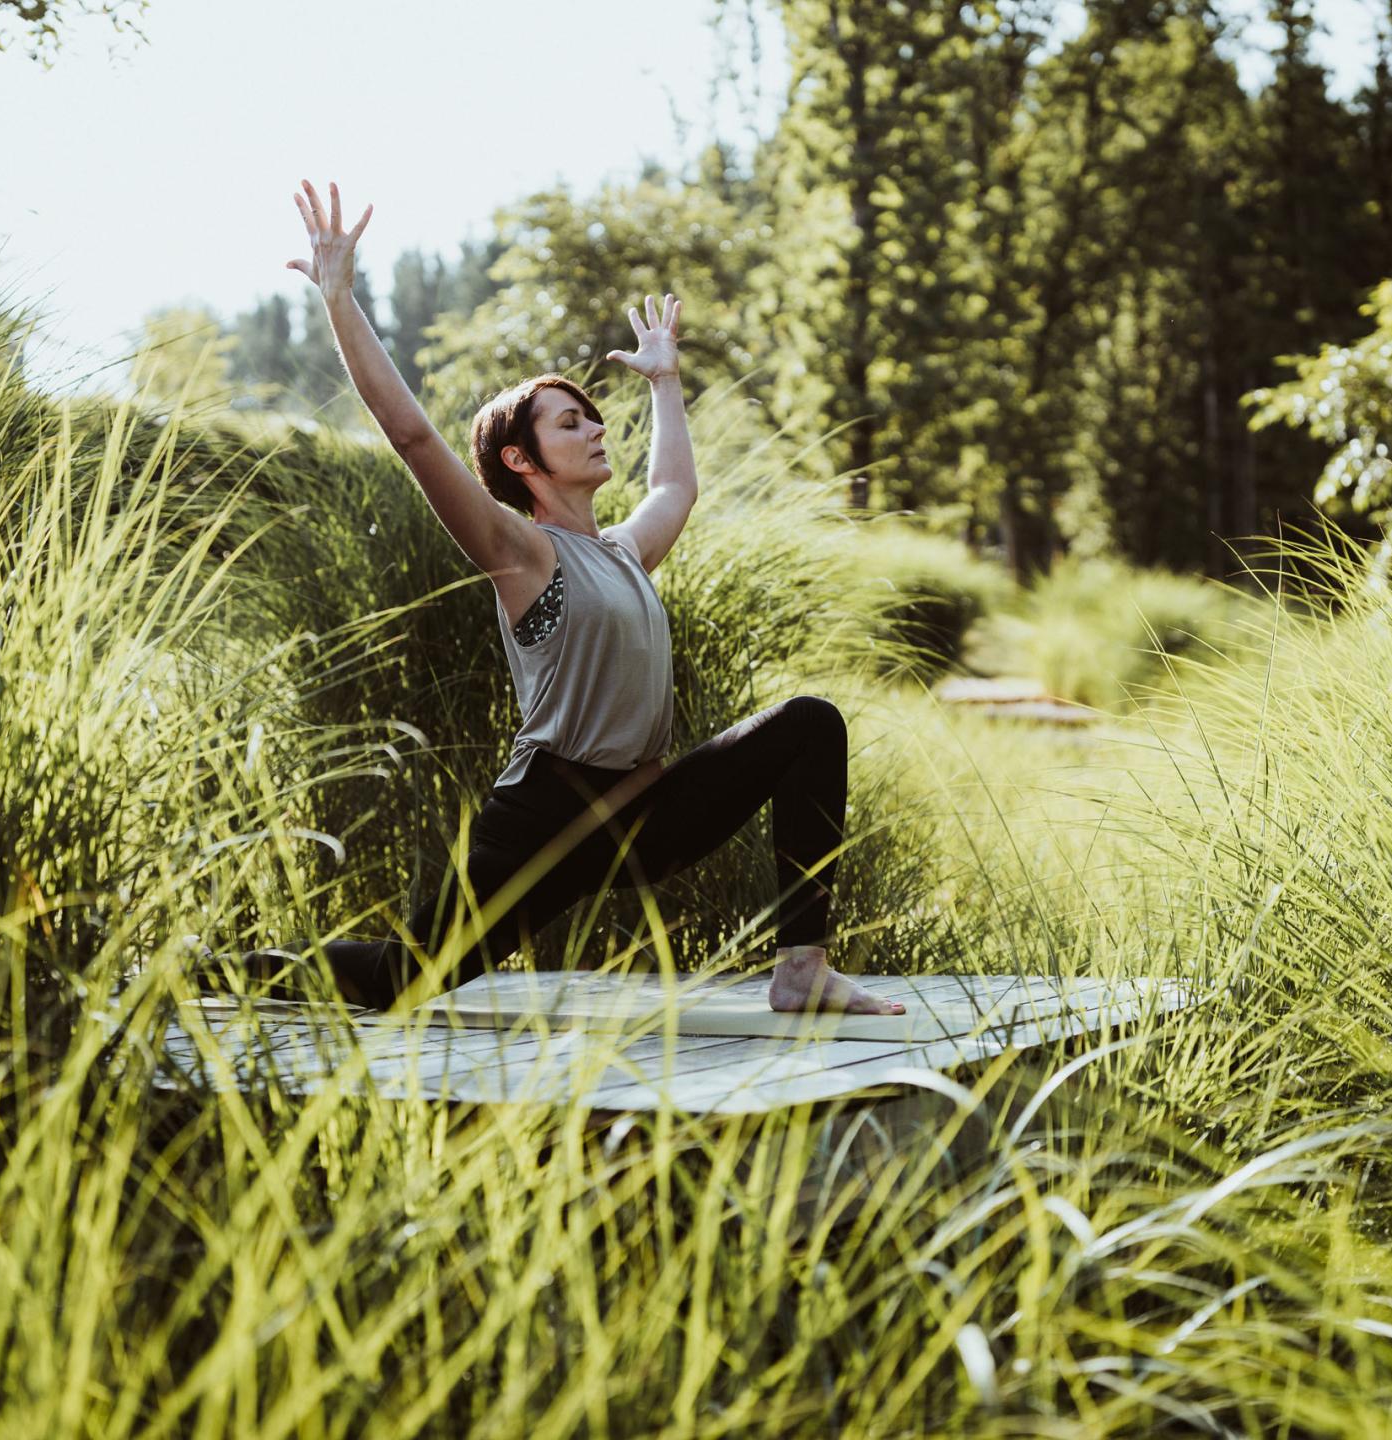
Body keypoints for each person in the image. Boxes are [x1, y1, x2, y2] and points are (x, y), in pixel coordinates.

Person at [251, 178, 905, 1018]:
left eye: (591, 416)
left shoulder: (624, 554)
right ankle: (225, 973)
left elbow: (675, 486)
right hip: (547, 823)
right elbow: (412, 435)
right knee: (396, 984)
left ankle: (802, 968)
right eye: (569, 423)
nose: (596, 428)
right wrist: (340, 300)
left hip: (647, 816)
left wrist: (665, 381)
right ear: (521, 462)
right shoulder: (521, 553)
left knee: (810, 724)